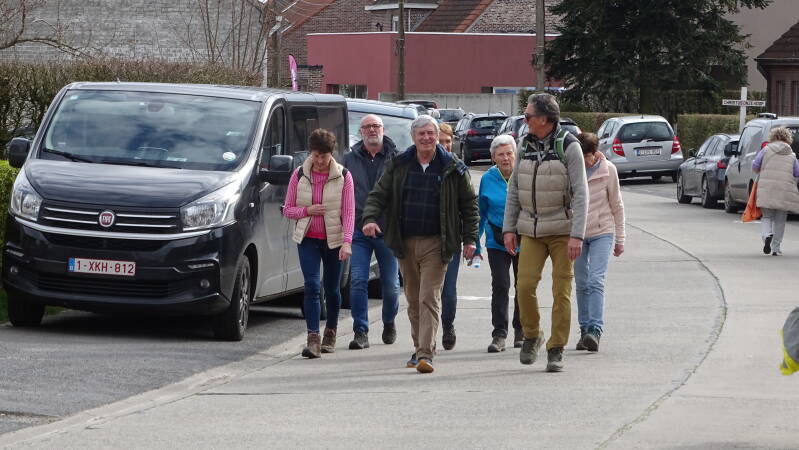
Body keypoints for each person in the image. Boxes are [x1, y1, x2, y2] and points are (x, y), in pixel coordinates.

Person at [362, 115, 479, 374]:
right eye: (421, 134)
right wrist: (369, 218)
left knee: (428, 297)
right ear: (413, 137)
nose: (426, 138)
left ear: (437, 136)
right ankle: (419, 348)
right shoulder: (399, 164)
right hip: (405, 242)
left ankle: (426, 353)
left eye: (431, 133)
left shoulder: (453, 166)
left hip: (437, 243)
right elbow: (379, 194)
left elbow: (469, 205)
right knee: (413, 300)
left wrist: (470, 239)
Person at [503, 93, 588, 373]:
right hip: (531, 229)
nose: (525, 120)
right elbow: (514, 189)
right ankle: (532, 335)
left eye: (528, 116)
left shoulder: (569, 146)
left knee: (561, 291)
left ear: (543, 119)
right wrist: (509, 228)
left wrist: (577, 235)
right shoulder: (524, 145)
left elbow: (581, 193)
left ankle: (556, 348)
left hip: (563, 230)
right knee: (524, 286)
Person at [283, 129, 354, 358]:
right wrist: (307, 211)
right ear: (310, 153)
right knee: (312, 286)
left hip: (334, 241)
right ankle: (312, 338)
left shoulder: (344, 176)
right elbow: (288, 210)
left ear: (331, 154)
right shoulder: (299, 175)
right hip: (308, 239)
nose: (320, 161)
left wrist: (347, 242)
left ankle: (330, 332)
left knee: (332, 289)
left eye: (324, 156)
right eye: (316, 156)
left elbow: (349, 212)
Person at [344, 114, 401, 350]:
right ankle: (361, 331)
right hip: (358, 230)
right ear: (361, 132)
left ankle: (389, 321)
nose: (371, 130)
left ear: (383, 129)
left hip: (387, 230)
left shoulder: (397, 158)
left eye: (375, 126)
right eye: (366, 127)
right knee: (358, 280)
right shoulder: (349, 159)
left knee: (391, 285)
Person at [573, 132, 625, 353]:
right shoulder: (572, 170)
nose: (583, 161)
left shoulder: (608, 170)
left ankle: (595, 330)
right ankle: (584, 330)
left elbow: (617, 205)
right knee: (581, 282)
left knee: (595, 280)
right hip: (577, 234)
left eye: (586, 156)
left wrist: (620, 239)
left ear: (594, 153)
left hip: (602, 231)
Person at [475, 134, 523, 353]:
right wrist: (475, 244)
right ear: (493, 157)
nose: (505, 158)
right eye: (500, 154)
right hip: (496, 240)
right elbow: (481, 213)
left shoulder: (523, 175)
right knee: (501, 284)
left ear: (516, 155)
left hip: (524, 239)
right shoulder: (487, 178)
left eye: (509, 153)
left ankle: (521, 331)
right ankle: (499, 334)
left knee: (524, 286)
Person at [753, 126, 799, 256]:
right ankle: (776, 248)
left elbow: (755, 166)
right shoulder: (791, 154)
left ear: (773, 137)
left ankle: (767, 235)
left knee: (767, 216)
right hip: (784, 190)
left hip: (766, 189)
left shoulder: (766, 150)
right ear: (788, 138)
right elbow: (797, 173)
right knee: (780, 220)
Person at [438, 122, 460, 350]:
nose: (445, 145)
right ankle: (425, 336)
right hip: (427, 237)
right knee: (427, 291)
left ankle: (448, 326)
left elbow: (468, 204)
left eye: (448, 141)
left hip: (451, 239)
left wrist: (470, 238)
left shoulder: (458, 167)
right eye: (440, 141)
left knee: (449, 290)